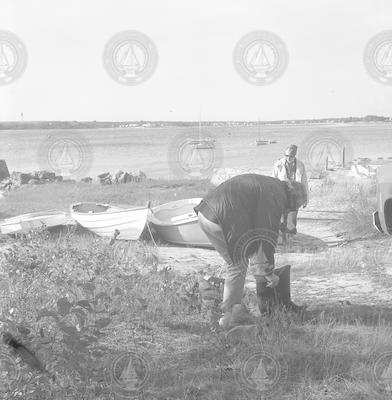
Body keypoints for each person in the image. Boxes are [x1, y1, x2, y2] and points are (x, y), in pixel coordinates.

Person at [194, 173, 307, 330]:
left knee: (238, 262)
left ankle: (230, 310)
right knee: (238, 265)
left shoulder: (272, 186)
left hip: (206, 212)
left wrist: (263, 267)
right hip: (218, 216)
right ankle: (227, 319)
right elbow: (265, 235)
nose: (291, 210)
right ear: (292, 198)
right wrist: (268, 273)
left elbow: (256, 238)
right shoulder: (276, 196)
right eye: (294, 207)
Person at [272, 144, 308, 235]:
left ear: (294, 155)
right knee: (281, 215)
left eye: (291, 156)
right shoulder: (279, 163)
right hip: (282, 192)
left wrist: (305, 198)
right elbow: (273, 178)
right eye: (286, 155)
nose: (288, 158)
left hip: (295, 194)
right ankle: (281, 234)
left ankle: (291, 234)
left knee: (293, 215)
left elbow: (304, 182)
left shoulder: (300, 165)